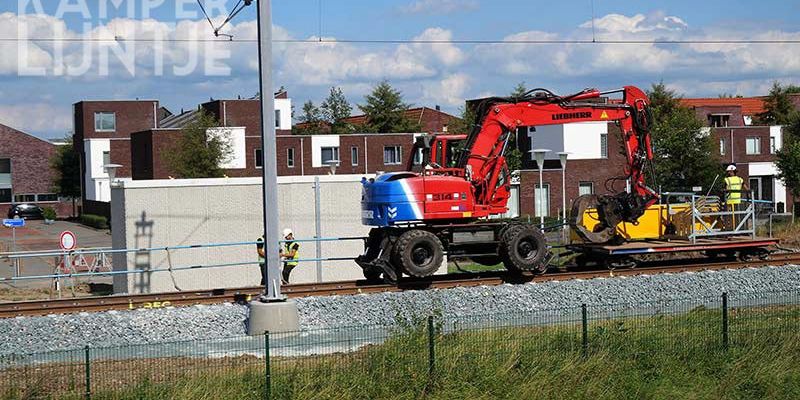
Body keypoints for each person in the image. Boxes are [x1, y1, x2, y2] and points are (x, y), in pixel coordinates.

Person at [723, 164, 749, 230]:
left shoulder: (727, 180)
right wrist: (749, 196)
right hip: (738, 201)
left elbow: (724, 189)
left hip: (729, 201)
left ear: (731, 172)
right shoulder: (740, 179)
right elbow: (746, 189)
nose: (728, 173)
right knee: (737, 216)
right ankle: (738, 229)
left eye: (729, 171)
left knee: (729, 217)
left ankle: (730, 230)